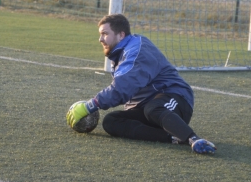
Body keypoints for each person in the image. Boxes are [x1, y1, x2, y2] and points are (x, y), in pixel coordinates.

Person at [66, 14, 216, 154]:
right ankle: (172, 137)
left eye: (105, 34)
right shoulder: (120, 53)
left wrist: (91, 105)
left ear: (121, 35)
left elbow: (122, 87)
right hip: (147, 107)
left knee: (153, 108)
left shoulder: (136, 50)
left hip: (175, 98)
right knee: (111, 121)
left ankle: (193, 139)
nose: (100, 39)